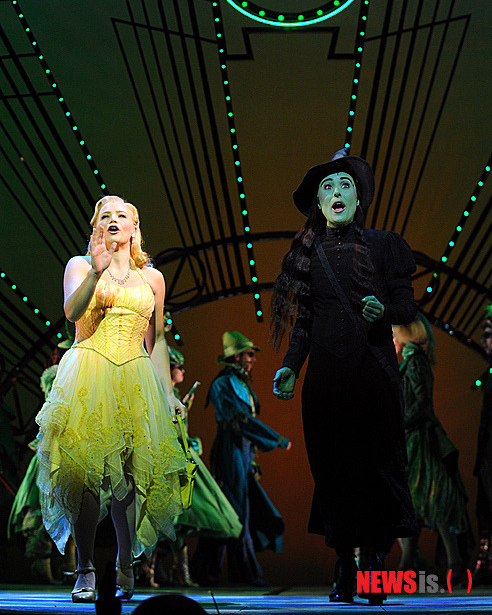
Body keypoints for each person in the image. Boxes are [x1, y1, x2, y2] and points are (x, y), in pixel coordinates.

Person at [271, 148, 419, 605]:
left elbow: (407, 307)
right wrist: (290, 366)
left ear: (358, 198)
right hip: (326, 380)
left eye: (345, 185)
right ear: (319, 203)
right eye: (328, 187)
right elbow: (304, 322)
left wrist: (383, 312)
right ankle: (345, 567)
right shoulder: (308, 254)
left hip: (372, 374)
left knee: (376, 468)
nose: (337, 193)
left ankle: (373, 564)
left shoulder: (383, 245)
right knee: (333, 472)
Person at [35, 195, 187, 603]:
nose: (114, 220)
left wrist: (167, 393)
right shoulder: (80, 265)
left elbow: (157, 341)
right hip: (89, 371)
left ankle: (125, 562)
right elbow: (72, 313)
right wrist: (96, 273)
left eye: (122, 215)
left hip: (134, 376)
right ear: (97, 227)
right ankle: (85, 567)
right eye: (106, 216)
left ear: (135, 229)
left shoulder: (152, 278)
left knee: (130, 478)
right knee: (82, 474)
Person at [191, 331, 291, 587]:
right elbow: (238, 420)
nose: (253, 359)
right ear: (236, 356)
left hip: (242, 451)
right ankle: (234, 572)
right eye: (249, 354)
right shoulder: (222, 384)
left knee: (235, 511)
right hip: (230, 450)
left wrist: (252, 461)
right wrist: (275, 439)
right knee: (233, 511)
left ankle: (211, 571)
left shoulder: (240, 383)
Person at [145, 341, 242, 588]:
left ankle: (168, 571)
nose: (183, 371)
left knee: (176, 520)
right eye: (179, 367)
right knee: (166, 518)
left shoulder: (174, 397)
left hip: (180, 460)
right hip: (168, 461)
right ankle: (152, 570)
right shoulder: (161, 397)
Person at [393, 314, 472, 583]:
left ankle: (430, 562)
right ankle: (415, 561)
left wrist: (398, 423)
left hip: (420, 442)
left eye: (394, 334)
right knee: (416, 502)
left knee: (429, 499)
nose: (392, 340)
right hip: (413, 439)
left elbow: (422, 404)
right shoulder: (413, 361)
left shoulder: (415, 361)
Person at [7, 341, 76, 585]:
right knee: (51, 505)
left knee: (70, 508)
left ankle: (70, 567)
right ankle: (45, 566)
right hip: (56, 443)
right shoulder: (56, 374)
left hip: (67, 443)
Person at [472, 303, 492, 586]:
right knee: (487, 509)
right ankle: (484, 564)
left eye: (489, 334)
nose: (484, 339)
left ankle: (485, 564)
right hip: (491, 452)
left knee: (491, 506)